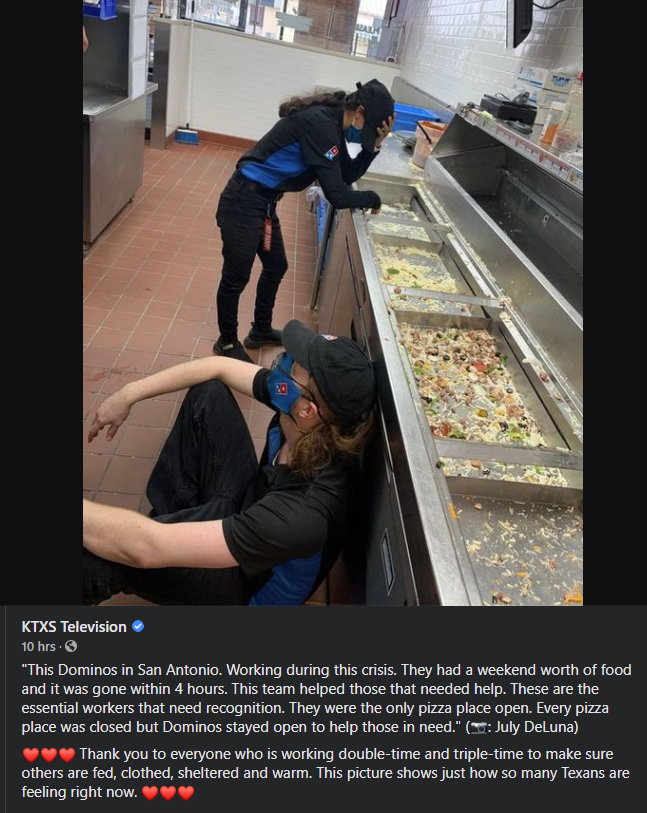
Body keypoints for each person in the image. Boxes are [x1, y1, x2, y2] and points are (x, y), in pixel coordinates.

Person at [83, 320, 376, 606]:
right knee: (208, 392)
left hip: (245, 587)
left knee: (109, 556)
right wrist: (129, 393)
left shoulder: (301, 513)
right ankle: (176, 523)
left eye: (292, 364)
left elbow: (145, 549)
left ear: (307, 410)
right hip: (252, 510)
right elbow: (218, 367)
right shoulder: (311, 417)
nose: (281, 363)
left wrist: (140, 542)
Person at [213, 79, 395, 362]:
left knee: (276, 266)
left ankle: (260, 330)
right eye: (370, 130)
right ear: (359, 112)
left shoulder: (334, 122)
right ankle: (226, 342)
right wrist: (373, 198)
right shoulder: (322, 125)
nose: (365, 135)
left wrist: (374, 147)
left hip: (264, 202)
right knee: (236, 276)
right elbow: (337, 195)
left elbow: (346, 175)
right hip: (244, 200)